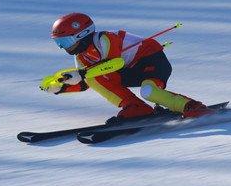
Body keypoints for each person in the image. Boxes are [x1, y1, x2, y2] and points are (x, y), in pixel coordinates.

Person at [42, 12, 213, 119]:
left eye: (67, 41)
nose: (65, 47)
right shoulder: (81, 57)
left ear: (82, 34)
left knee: (148, 91)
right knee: (94, 78)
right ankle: (135, 107)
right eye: (60, 43)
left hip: (151, 61)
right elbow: (87, 82)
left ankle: (191, 106)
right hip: (130, 70)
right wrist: (61, 88)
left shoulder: (105, 39)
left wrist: (83, 74)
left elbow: (116, 63)